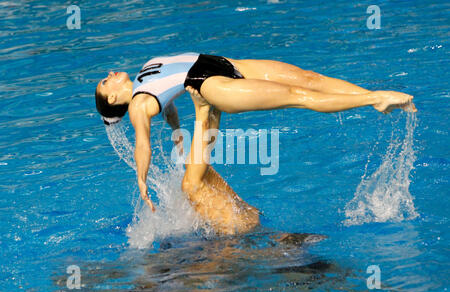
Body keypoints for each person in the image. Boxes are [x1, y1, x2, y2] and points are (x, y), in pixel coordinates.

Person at [95, 52, 416, 234]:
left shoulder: (143, 76)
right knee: (298, 96)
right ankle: (376, 99)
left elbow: (168, 104)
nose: (110, 73)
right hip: (211, 85)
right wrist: (141, 178)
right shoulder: (137, 104)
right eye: (105, 80)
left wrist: (178, 133)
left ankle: (369, 94)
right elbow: (142, 142)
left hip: (227, 65)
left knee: (308, 77)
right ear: (112, 97)